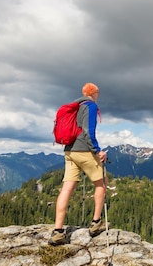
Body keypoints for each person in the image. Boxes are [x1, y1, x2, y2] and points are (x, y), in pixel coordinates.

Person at [49, 82, 108, 246]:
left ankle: (58, 231)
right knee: (101, 182)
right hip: (84, 151)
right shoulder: (90, 106)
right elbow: (89, 131)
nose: (98, 96)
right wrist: (98, 151)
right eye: (98, 93)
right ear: (93, 93)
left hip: (69, 151)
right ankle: (96, 223)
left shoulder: (75, 106)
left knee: (66, 188)